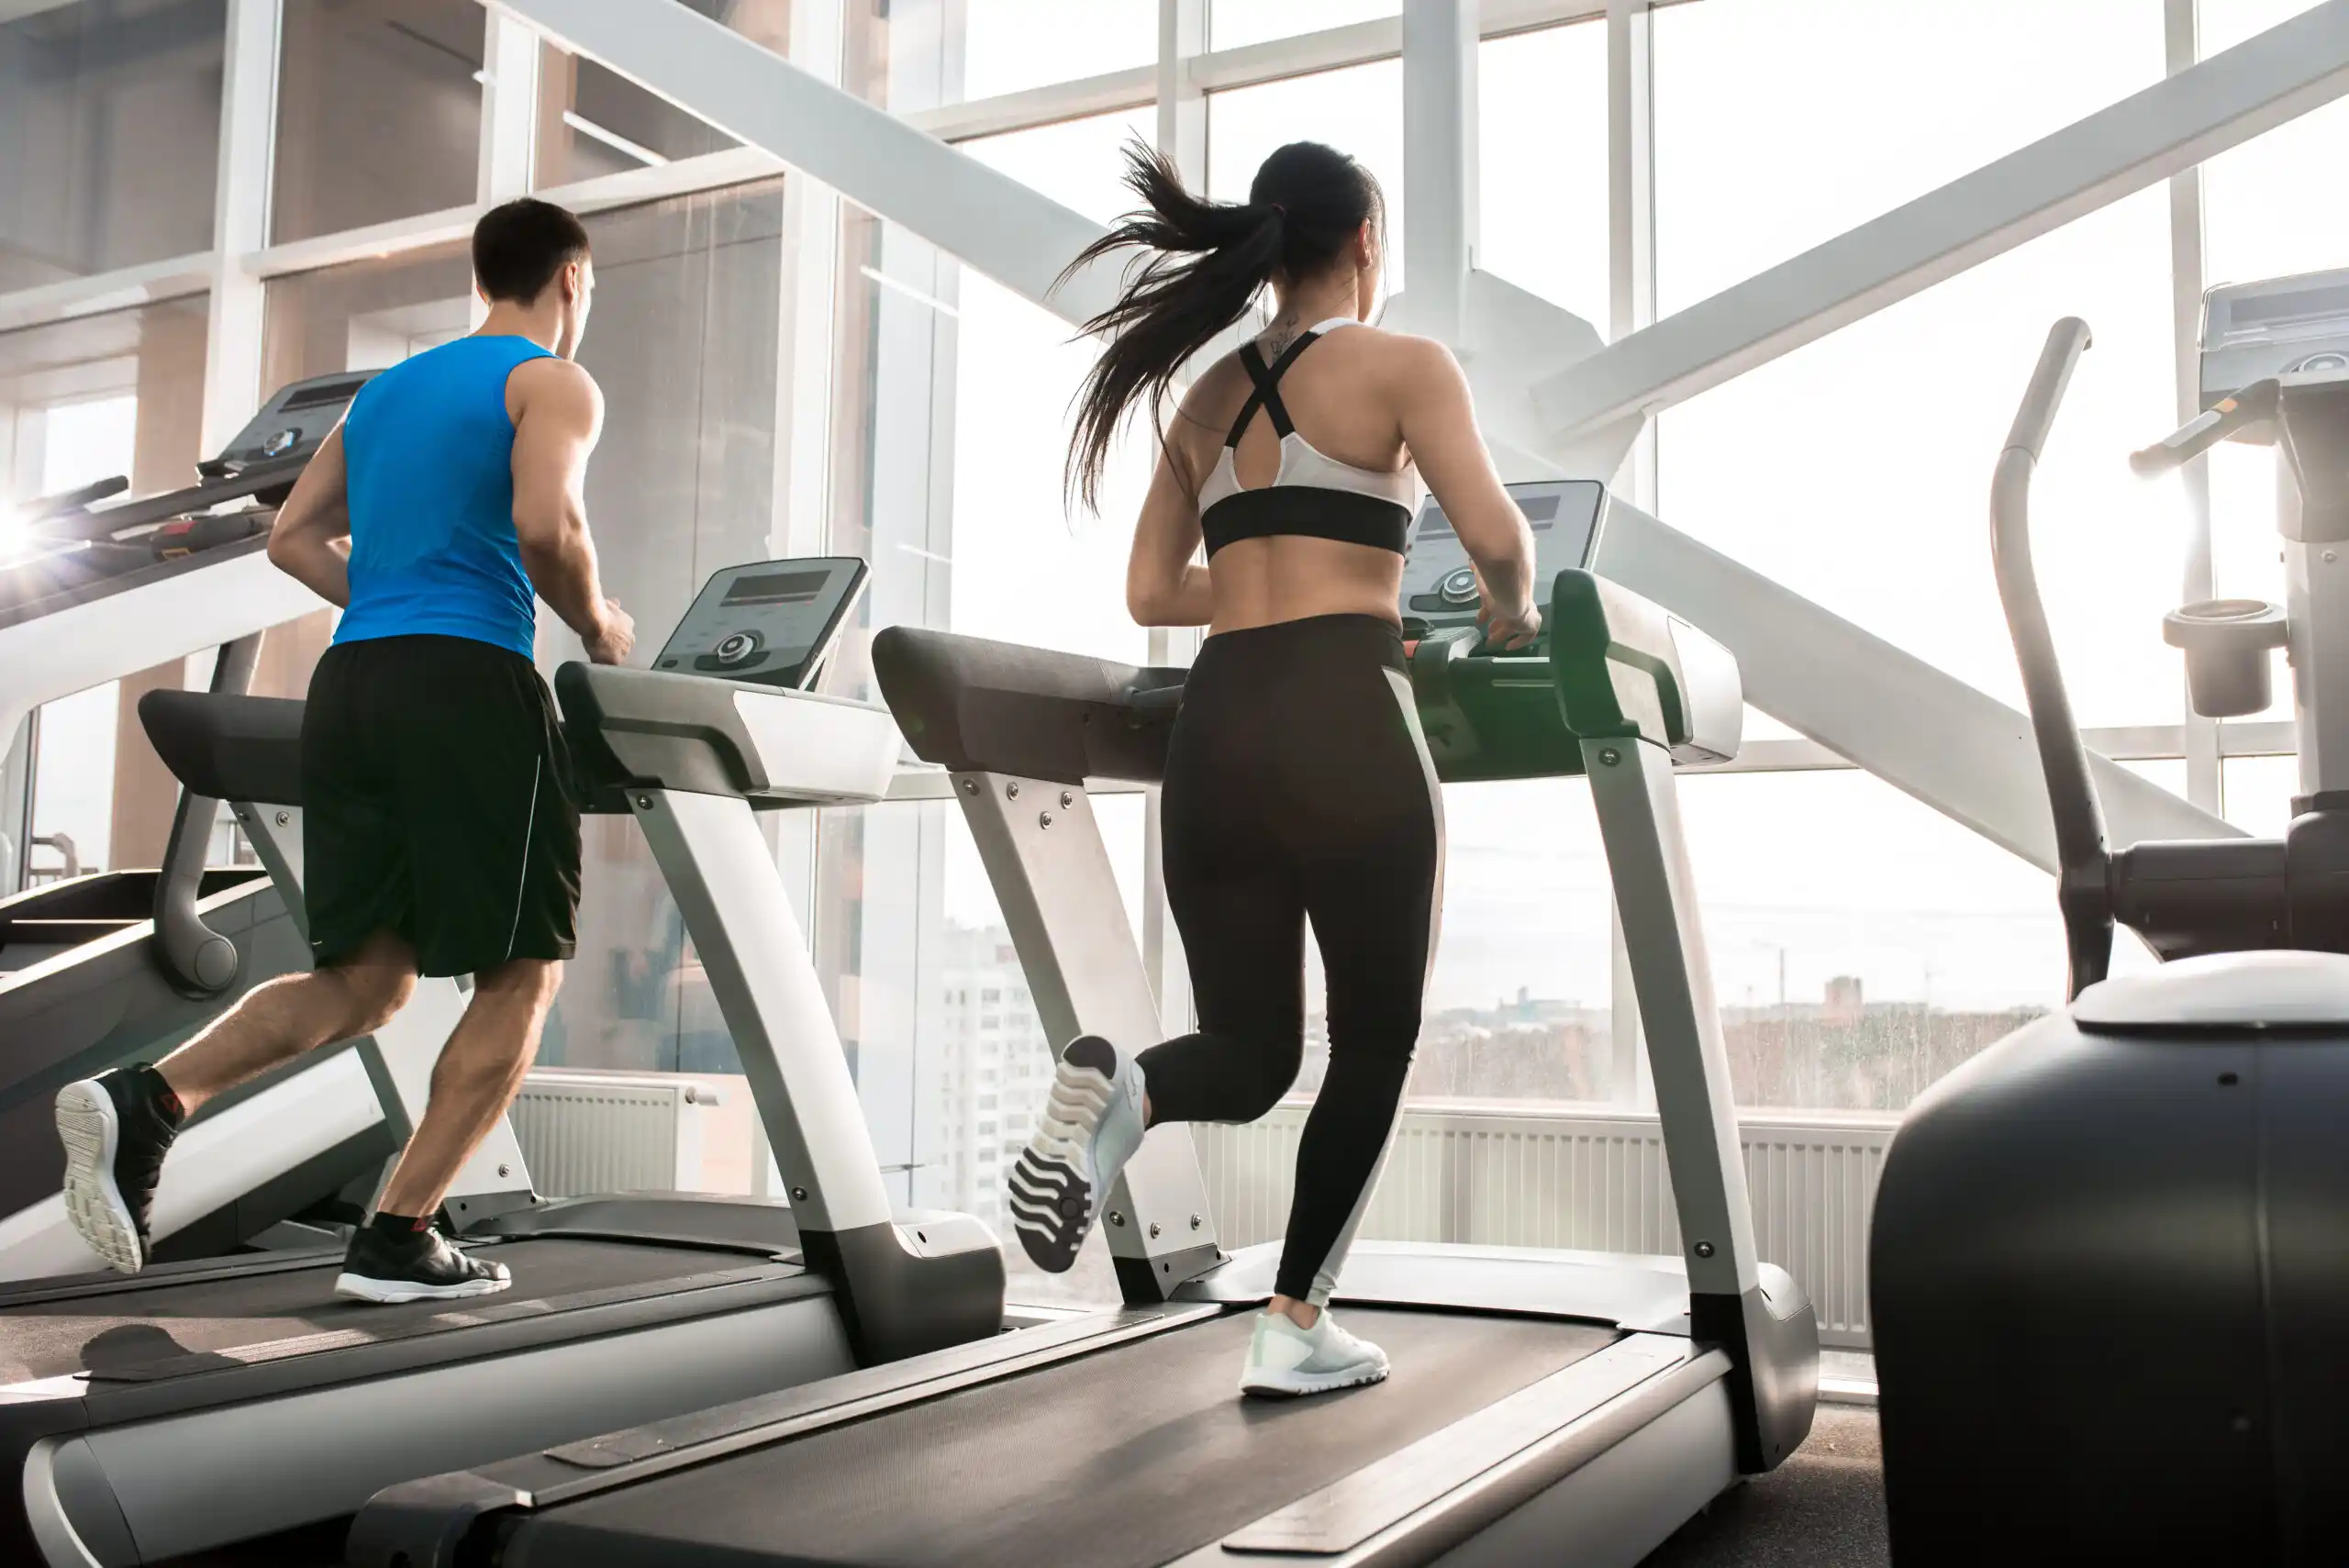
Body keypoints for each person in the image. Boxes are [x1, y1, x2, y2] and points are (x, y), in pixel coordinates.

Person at [1009, 141, 1540, 1396]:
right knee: (1373, 1040)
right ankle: (1295, 1318)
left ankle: (1120, 1094)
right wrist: (1504, 612)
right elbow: (1500, 540)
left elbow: (1147, 591)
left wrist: (1262, 587)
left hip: (1219, 725)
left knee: (1249, 1054)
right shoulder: (1406, 366)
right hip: (1347, 711)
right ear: (1365, 240)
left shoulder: (1201, 395)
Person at [53, 196, 634, 1304]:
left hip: (353, 684)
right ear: (571, 278)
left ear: (481, 276)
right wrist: (600, 624)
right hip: (469, 683)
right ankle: (399, 1234)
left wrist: (395, 601)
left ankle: (150, 1098)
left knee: (365, 978)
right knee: (523, 970)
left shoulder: (387, 393)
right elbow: (546, 525)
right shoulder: (551, 381)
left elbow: (291, 538)